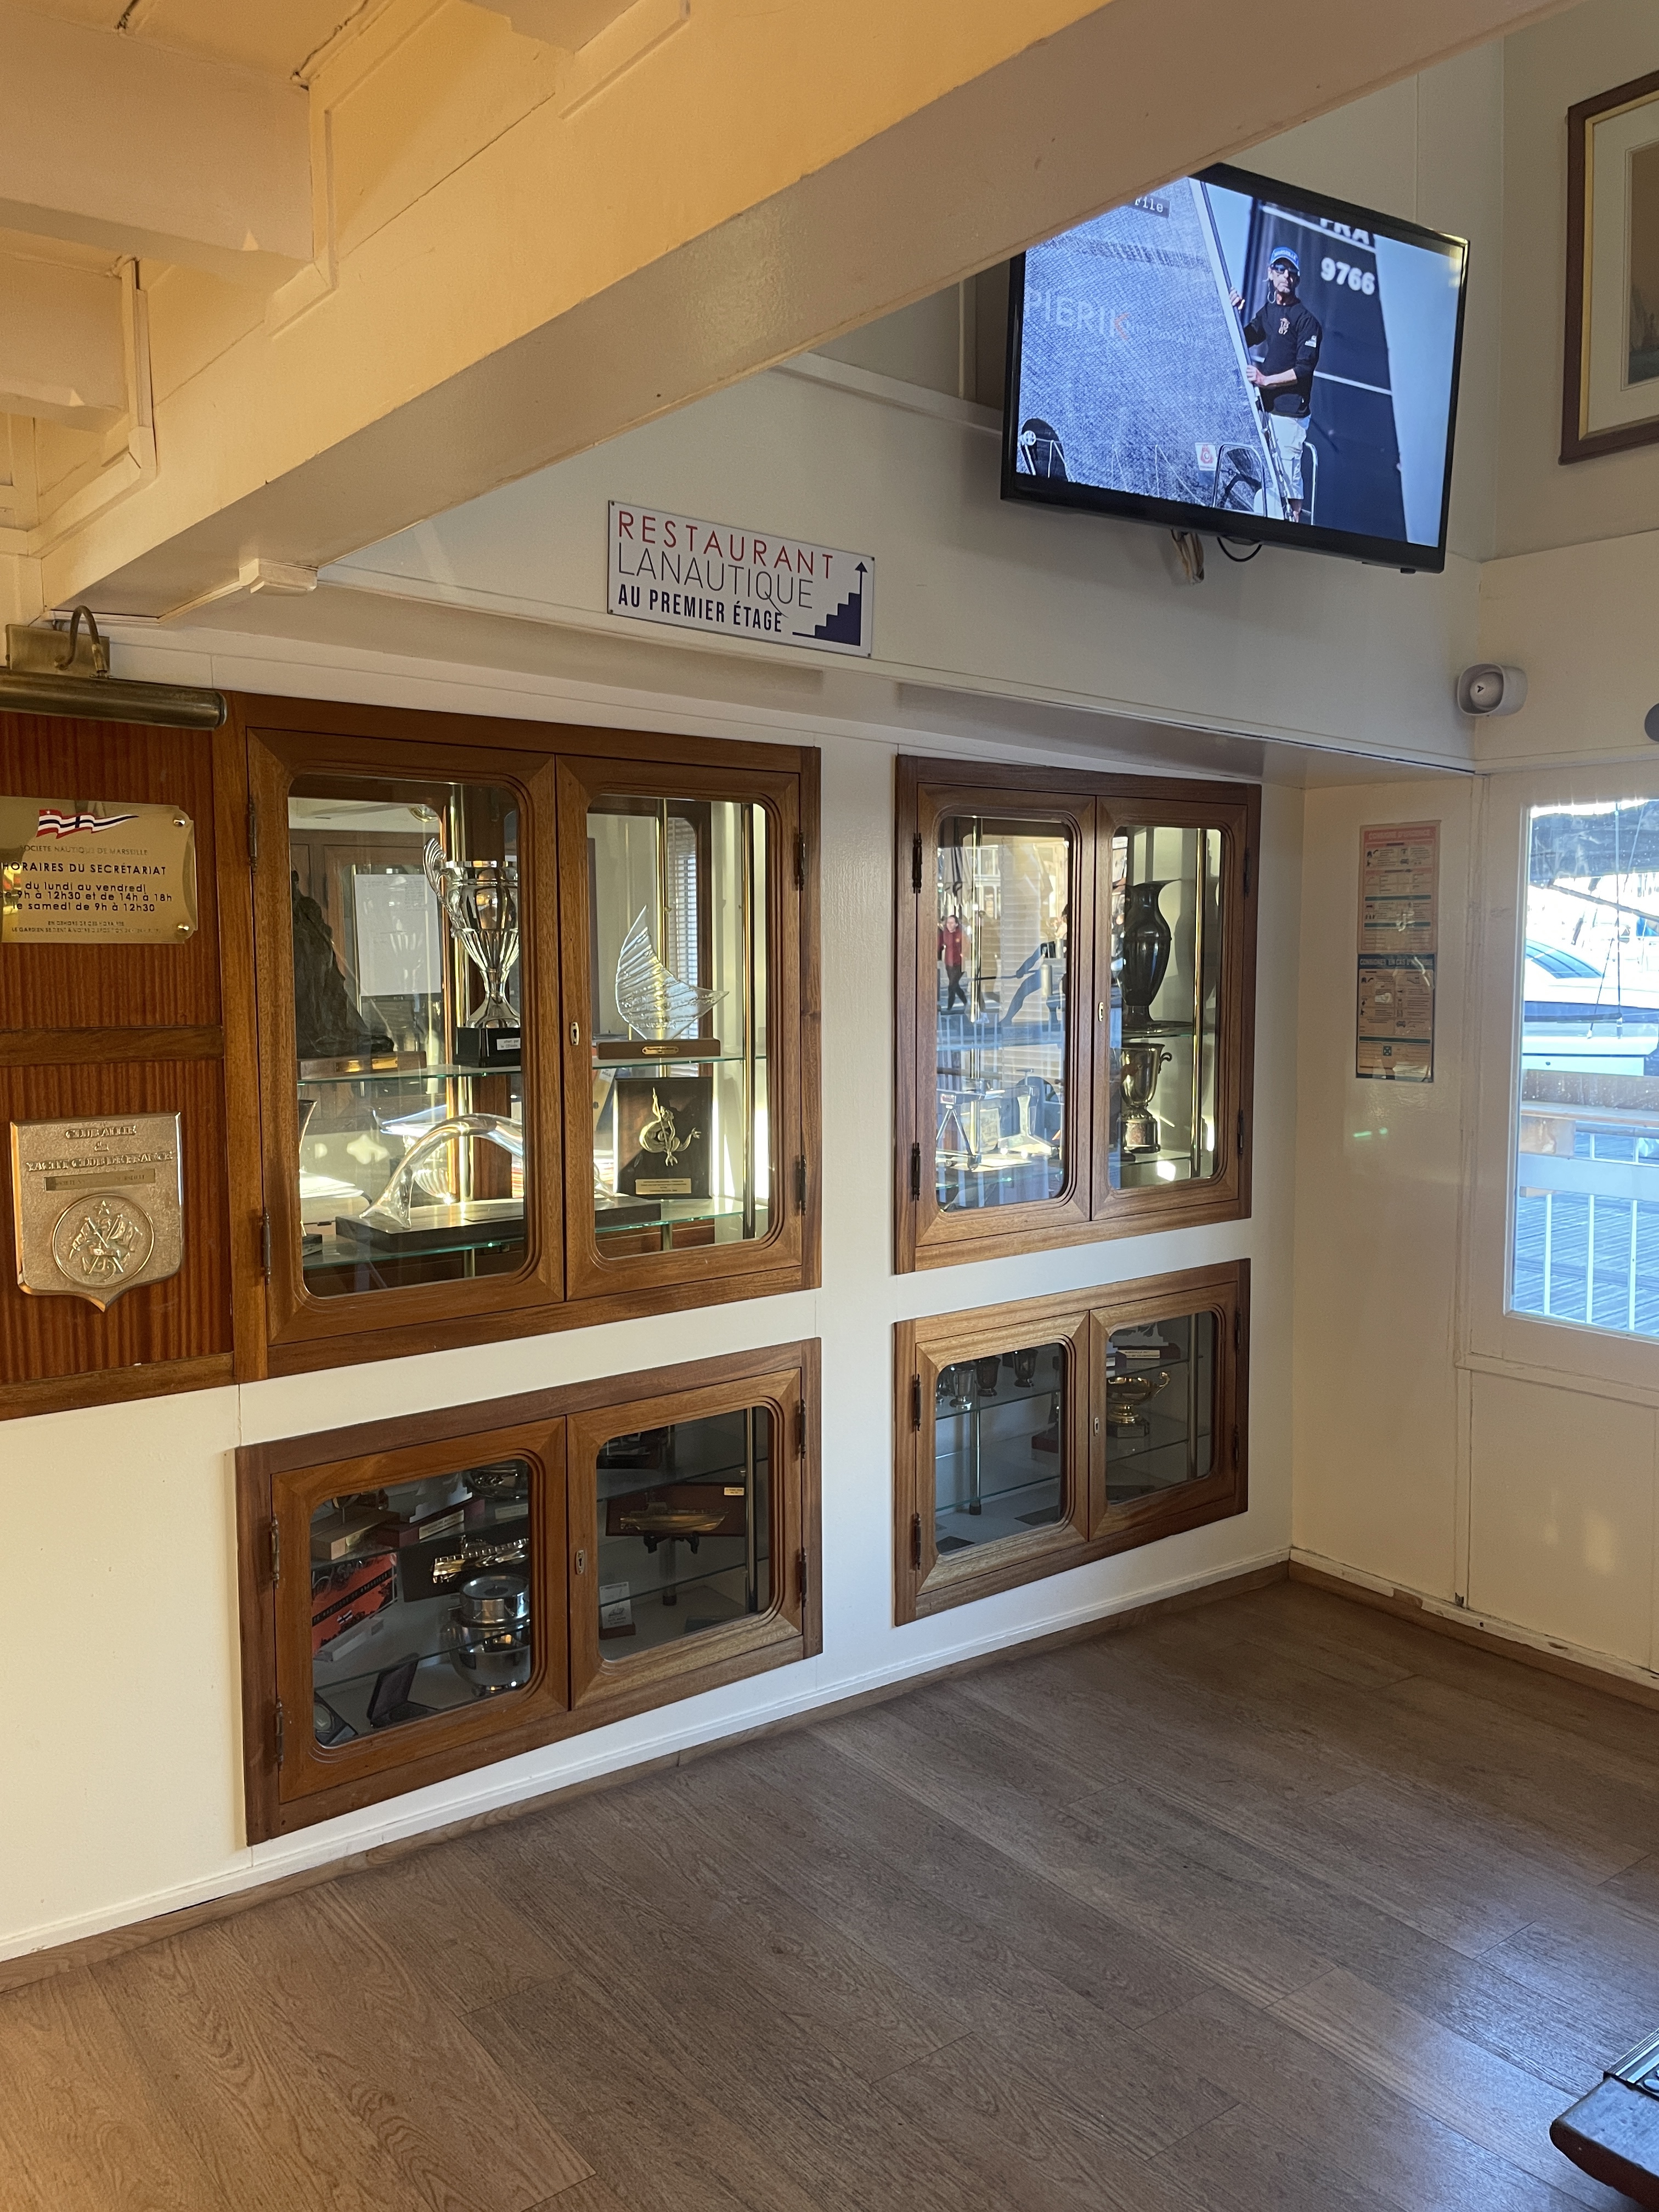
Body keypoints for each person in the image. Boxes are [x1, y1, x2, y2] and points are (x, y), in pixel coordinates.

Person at [1230, 247, 1321, 522]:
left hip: (1290, 414)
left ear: (1298, 279)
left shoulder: (1307, 321)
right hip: (1267, 409)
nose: (1286, 276)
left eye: (1291, 272)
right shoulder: (1268, 311)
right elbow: (1244, 338)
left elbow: (1304, 369)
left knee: (1288, 480)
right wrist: (1234, 311)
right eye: (1280, 270)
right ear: (1270, 273)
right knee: (1268, 477)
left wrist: (1265, 380)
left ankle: (1290, 529)